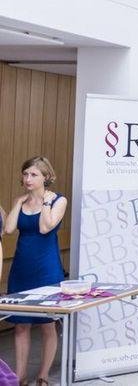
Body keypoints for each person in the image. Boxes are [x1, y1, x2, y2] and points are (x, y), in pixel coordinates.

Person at [6, 157, 67, 384]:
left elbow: (44, 227)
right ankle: (19, 376)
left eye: (34, 175)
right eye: (26, 174)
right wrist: (16, 203)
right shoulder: (20, 202)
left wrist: (45, 204)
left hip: (47, 269)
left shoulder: (59, 200)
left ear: (46, 177)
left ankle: (42, 375)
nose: (28, 179)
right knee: (21, 325)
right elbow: (10, 228)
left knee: (47, 325)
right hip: (21, 268)